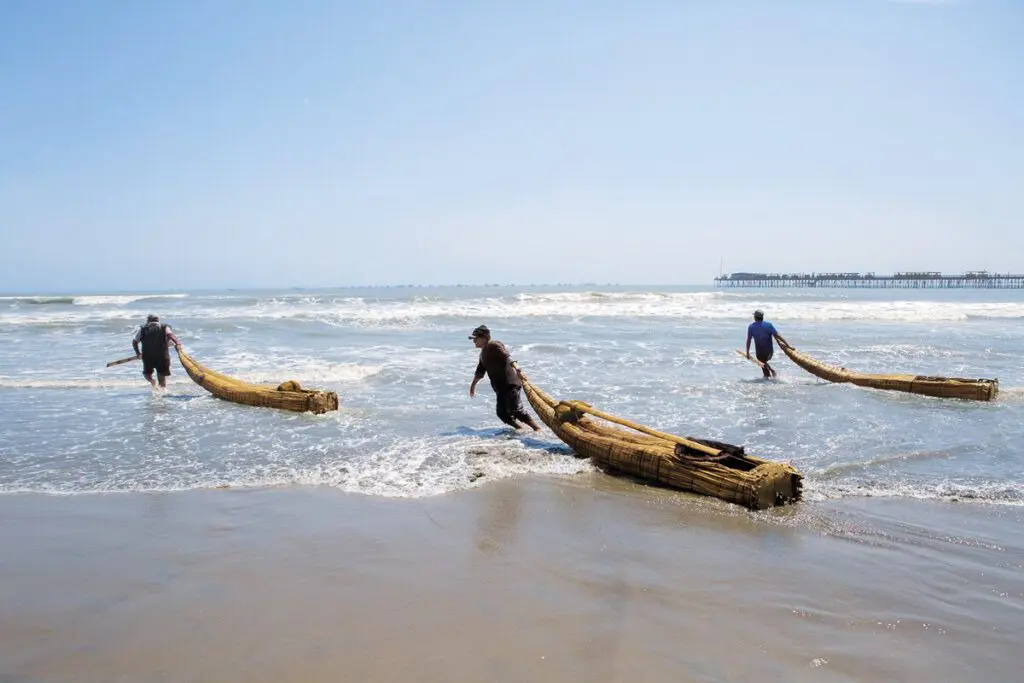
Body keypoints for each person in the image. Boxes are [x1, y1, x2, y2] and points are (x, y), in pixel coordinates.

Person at [468, 325, 540, 431]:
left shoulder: (494, 345)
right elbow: (480, 371)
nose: (474, 341)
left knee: (516, 410)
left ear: (484, 338)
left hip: (510, 384)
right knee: (501, 413)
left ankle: (537, 428)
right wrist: (472, 386)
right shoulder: (482, 354)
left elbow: (508, 357)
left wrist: (518, 370)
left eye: (475, 339)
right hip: (500, 388)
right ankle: (520, 428)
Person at [132, 314, 181, 388]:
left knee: (147, 373)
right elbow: (170, 335)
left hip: (147, 356)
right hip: (162, 356)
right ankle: (162, 392)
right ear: (158, 320)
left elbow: (135, 342)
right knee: (161, 375)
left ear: (148, 321)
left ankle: (152, 381)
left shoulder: (142, 328)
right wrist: (177, 343)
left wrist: (138, 353)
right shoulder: (164, 327)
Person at [745, 310, 789, 379]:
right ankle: (771, 373)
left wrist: (747, 352)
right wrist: (788, 345)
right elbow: (778, 336)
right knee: (763, 363)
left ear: (755, 317)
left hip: (760, 353)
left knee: (762, 363)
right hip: (770, 352)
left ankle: (768, 378)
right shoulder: (768, 325)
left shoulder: (751, 327)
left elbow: (748, 340)